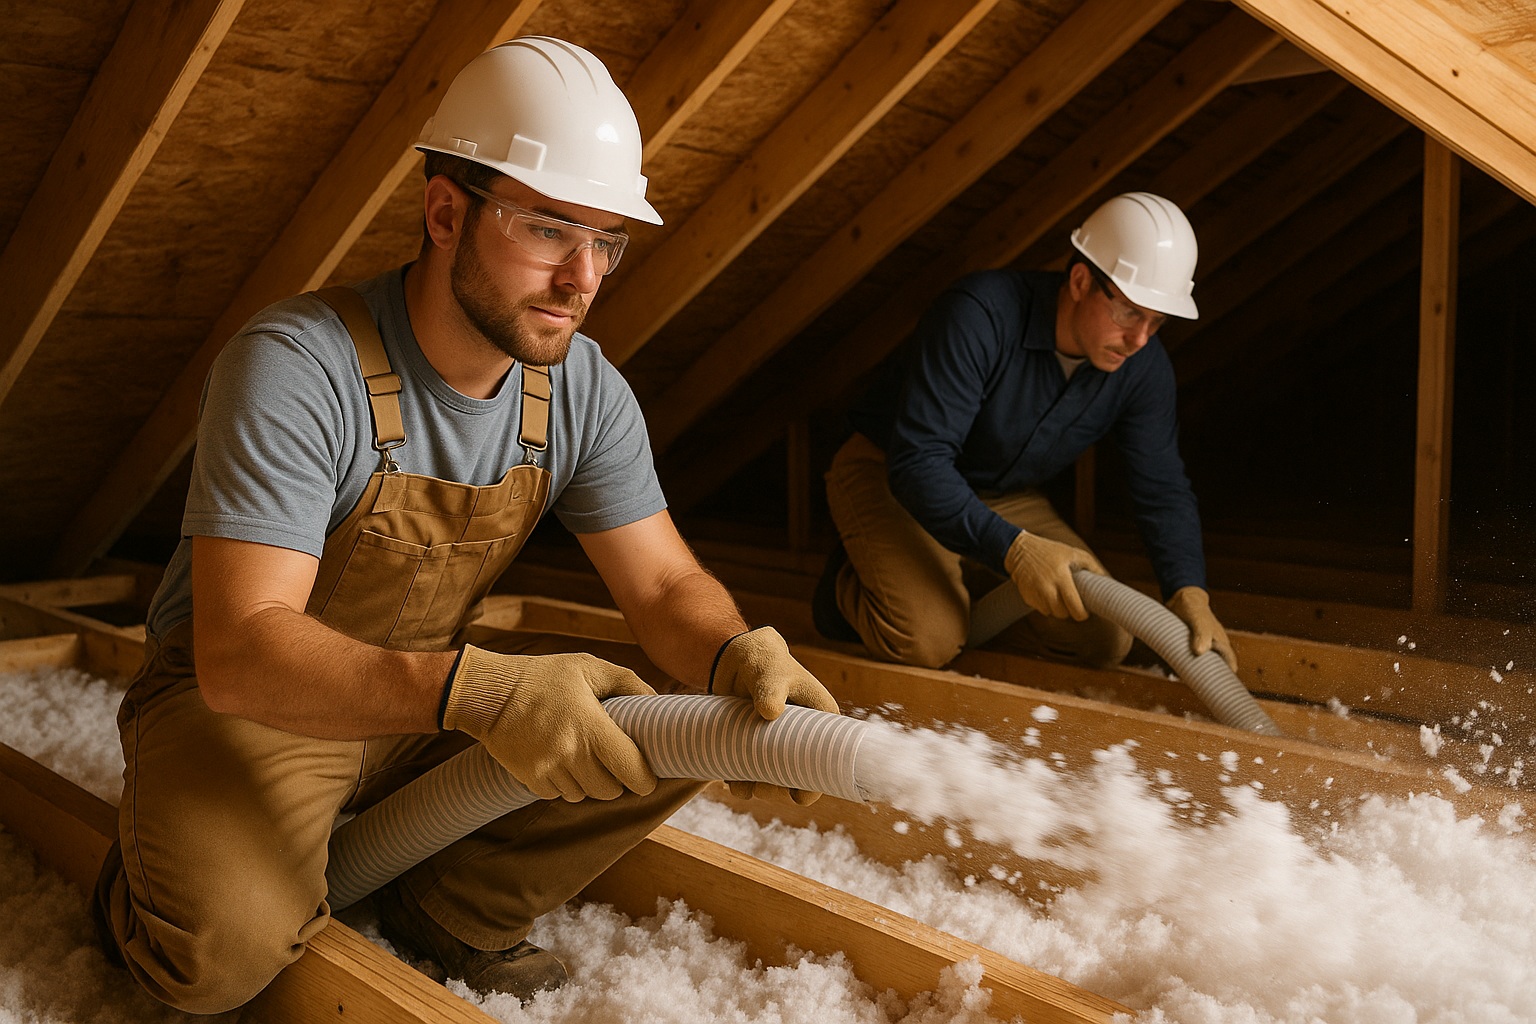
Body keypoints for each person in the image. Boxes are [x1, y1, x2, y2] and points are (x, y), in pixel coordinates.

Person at [91, 36, 838, 1013]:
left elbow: (661, 586)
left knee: (690, 718)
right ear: (446, 212)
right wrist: (480, 689)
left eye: (606, 240)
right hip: (252, 708)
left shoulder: (581, 388)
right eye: (548, 231)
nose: (582, 277)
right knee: (220, 960)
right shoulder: (297, 363)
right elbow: (239, 652)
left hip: (433, 700)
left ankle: (452, 902)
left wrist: (739, 654)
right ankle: (141, 885)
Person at [814, 191, 1235, 674]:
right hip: (892, 471)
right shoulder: (978, 315)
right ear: (1080, 281)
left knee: (1104, 638)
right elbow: (919, 463)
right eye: (1130, 313)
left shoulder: (1143, 367)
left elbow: (1162, 486)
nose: (1139, 339)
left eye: (1156, 322)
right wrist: (1015, 550)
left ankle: (950, 580)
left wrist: (1189, 591)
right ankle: (854, 582)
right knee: (928, 641)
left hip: (1001, 491)